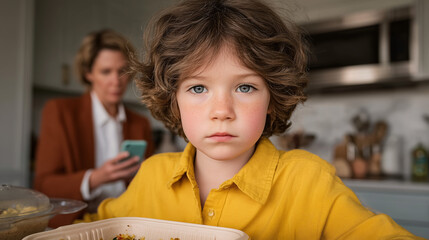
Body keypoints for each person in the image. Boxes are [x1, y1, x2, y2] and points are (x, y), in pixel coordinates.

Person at [84, 1, 424, 239]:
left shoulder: (308, 182)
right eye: (198, 87)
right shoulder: (151, 177)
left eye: (245, 86)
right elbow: (89, 230)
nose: (222, 110)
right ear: (173, 102)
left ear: (272, 100)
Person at [33, 29, 154, 228]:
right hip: (77, 223)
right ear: (88, 73)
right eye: (106, 71)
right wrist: (96, 178)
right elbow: (43, 185)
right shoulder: (60, 112)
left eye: (122, 71)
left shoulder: (140, 123)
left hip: (125, 222)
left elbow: (148, 186)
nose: (116, 81)